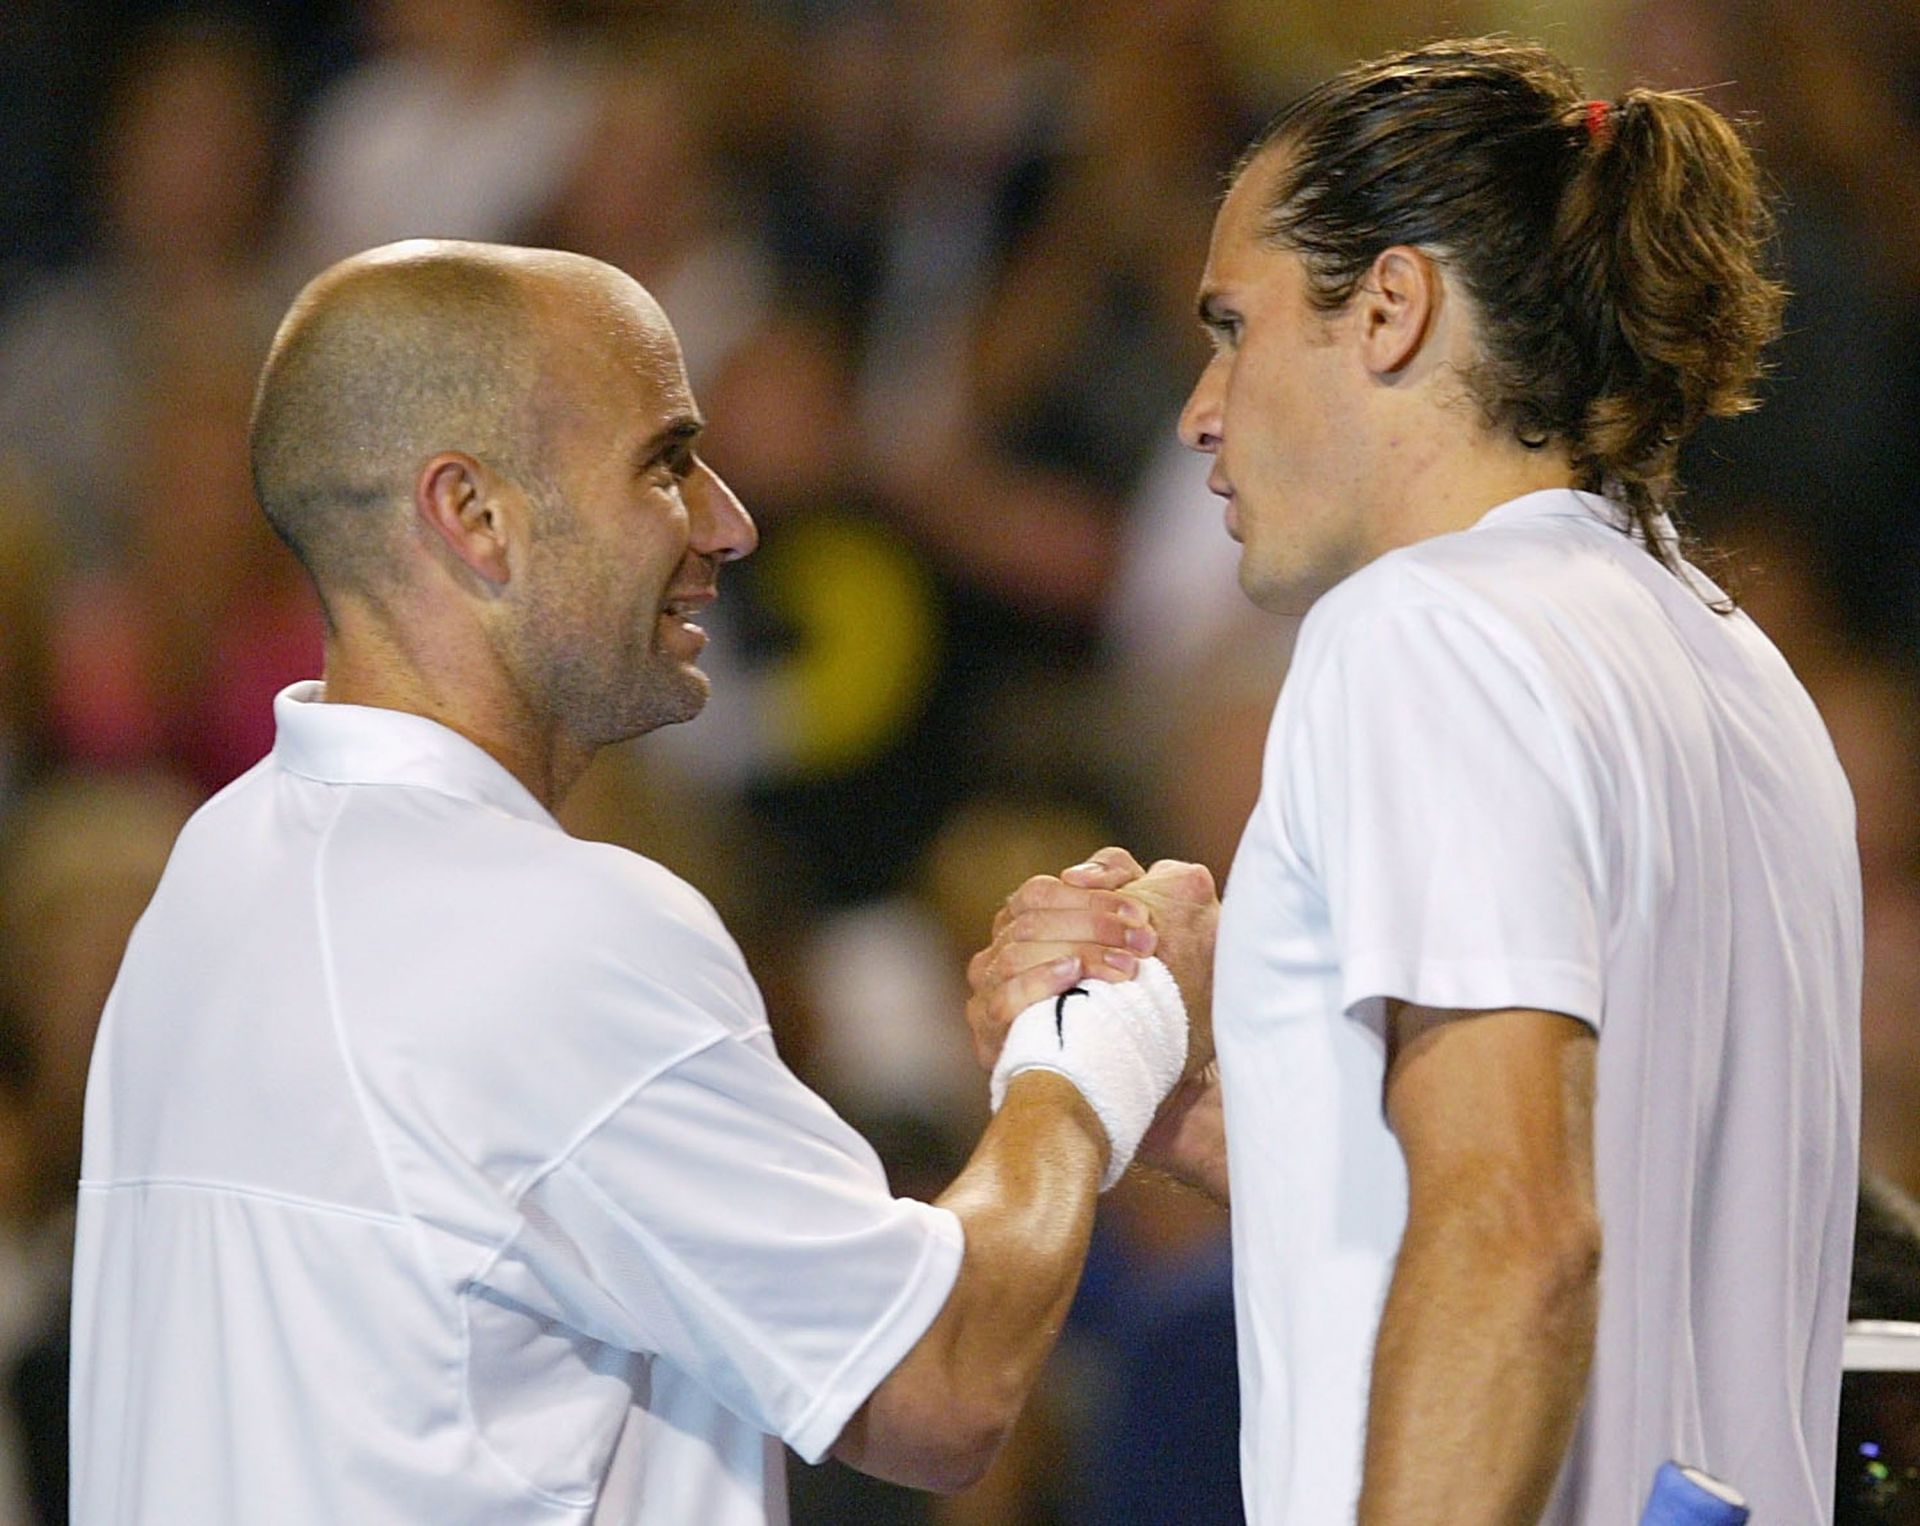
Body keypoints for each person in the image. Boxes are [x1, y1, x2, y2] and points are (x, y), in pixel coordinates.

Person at [67, 239, 1204, 1523]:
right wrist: (1097, 1035)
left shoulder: (211, 871)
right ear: (474, 514)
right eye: (665, 460)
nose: (731, 518)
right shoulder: (554, 929)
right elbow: (940, 1380)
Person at [968, 36, 1861, 1525]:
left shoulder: (1422, 629)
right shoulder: (1735, 665)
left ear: (1391, 309)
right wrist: (1194, 1088)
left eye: (1233, 326)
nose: (1199, 407)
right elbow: (1595, 1225)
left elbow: (1519, 1230)